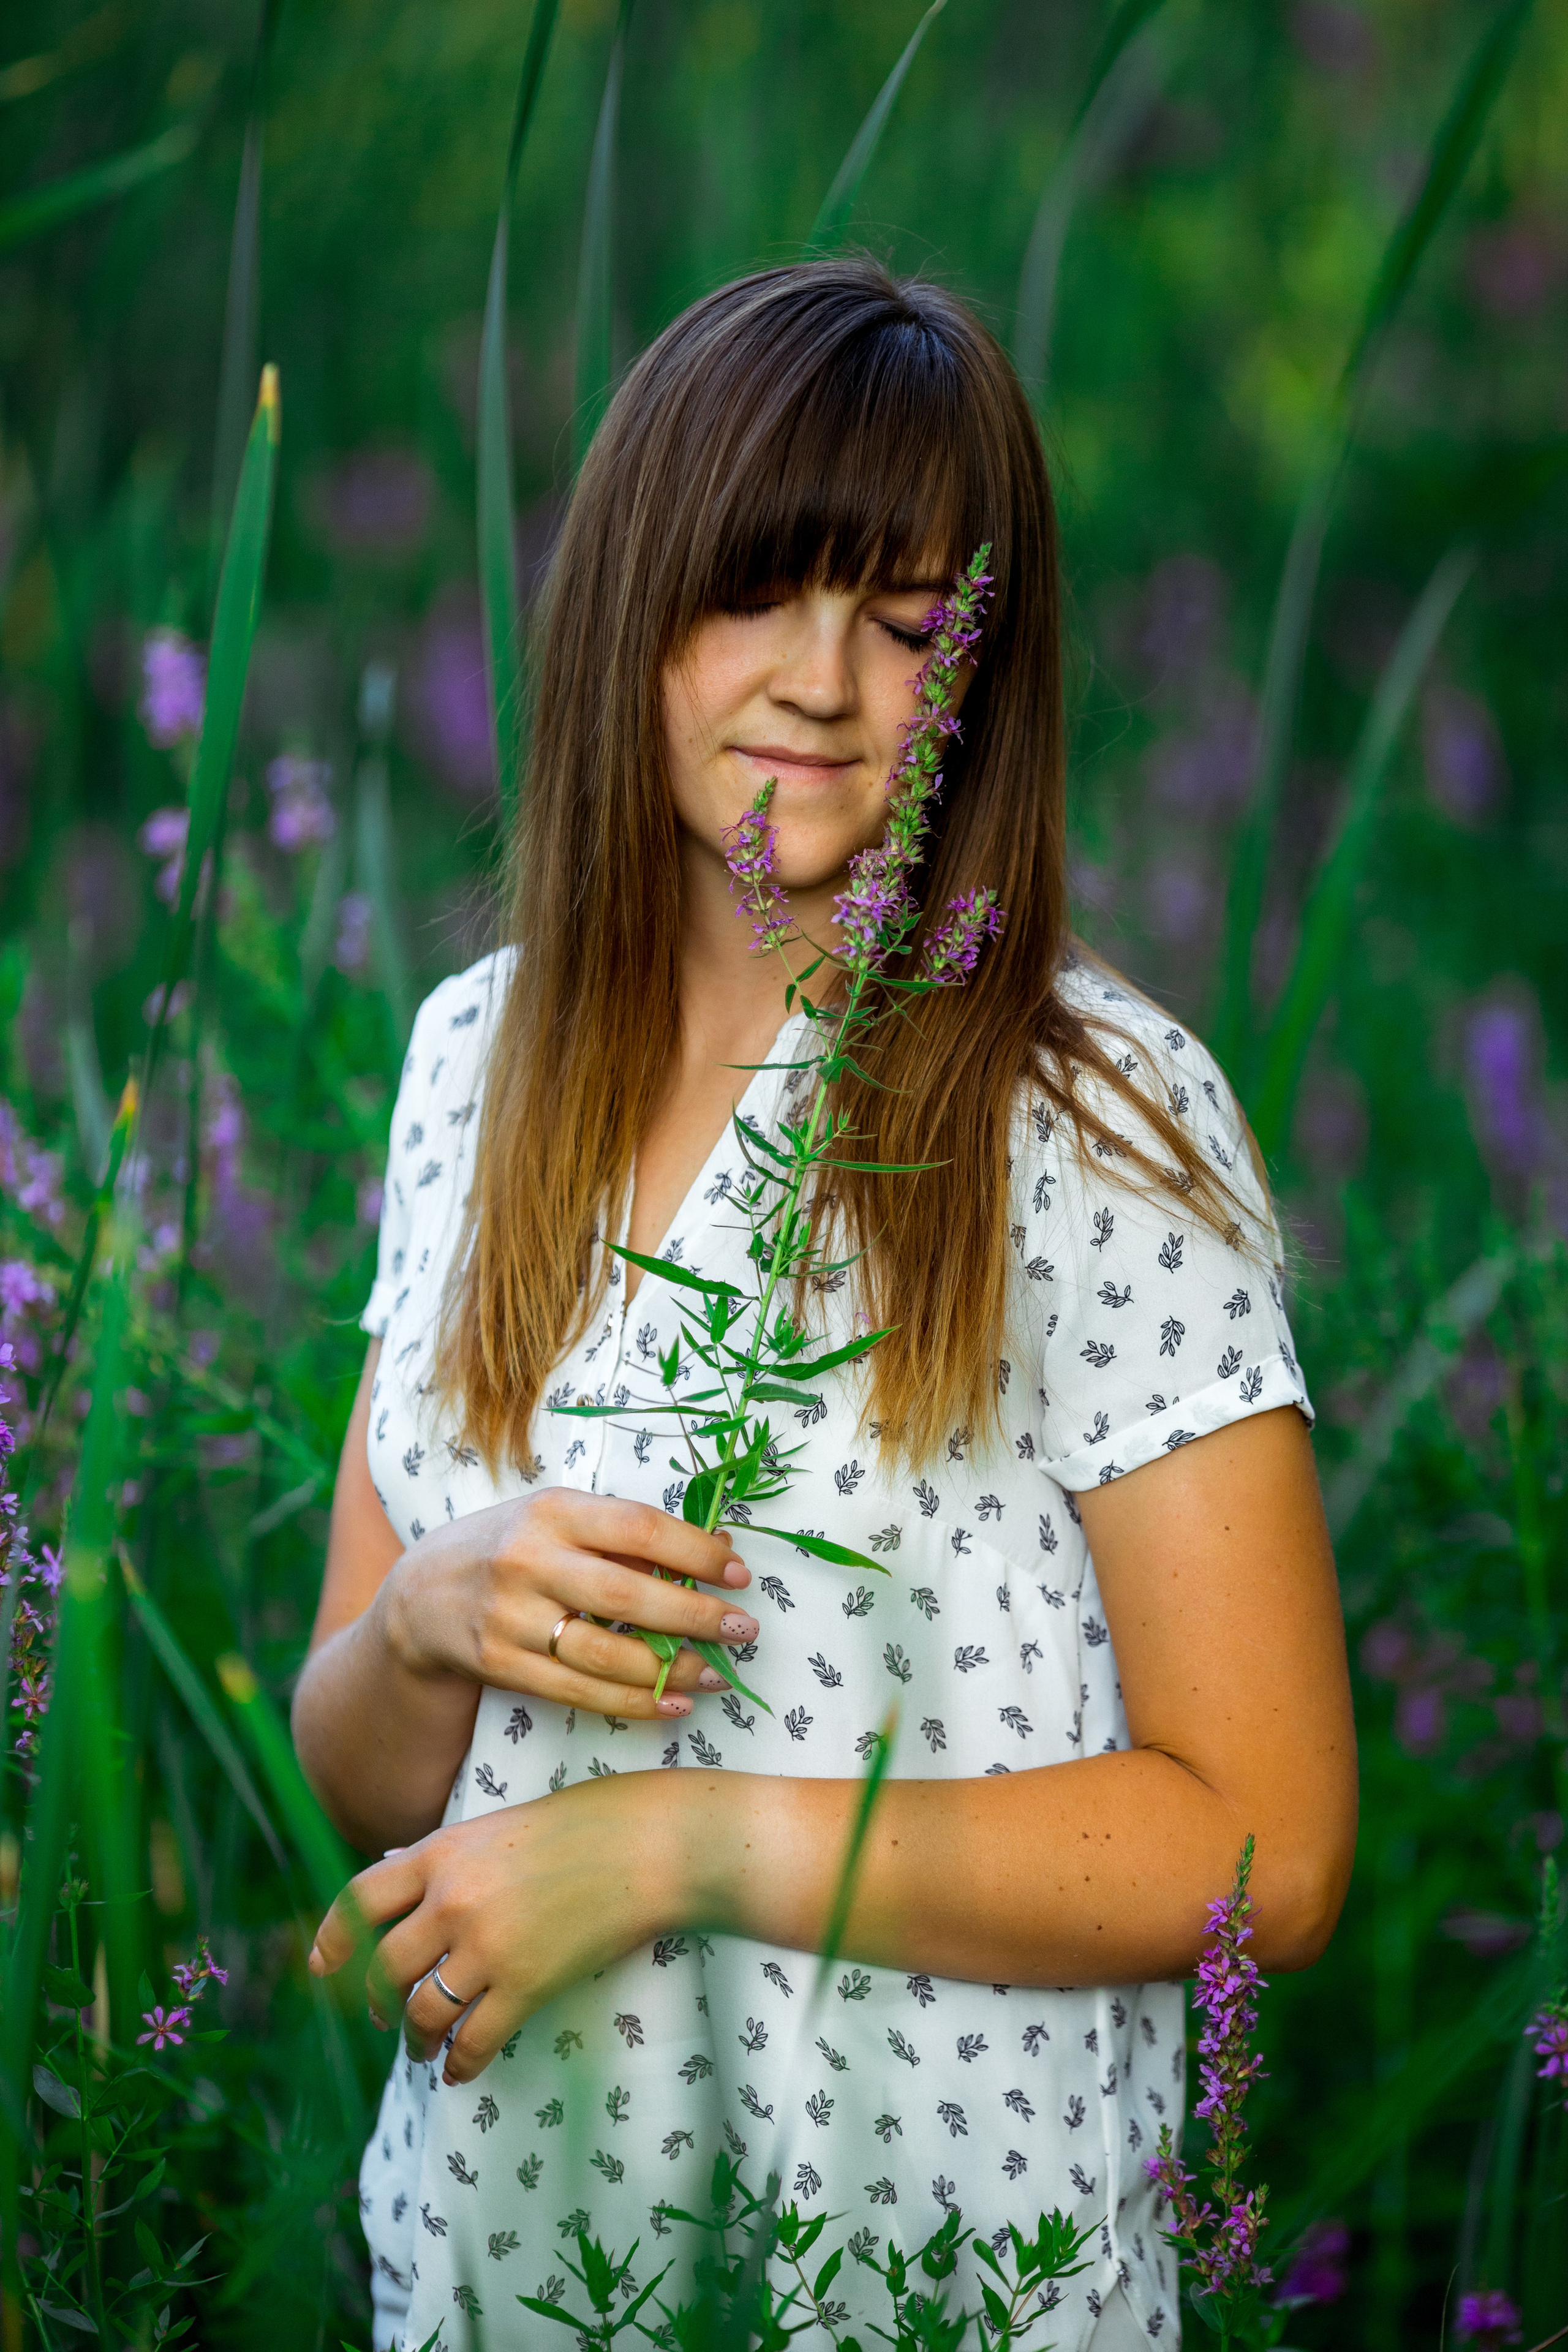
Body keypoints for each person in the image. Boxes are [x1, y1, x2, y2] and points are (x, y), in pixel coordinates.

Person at [294, 258, 1357, 2351]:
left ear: (981, 683)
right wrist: (426, 1619)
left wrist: (673, 1846)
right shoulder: (472, 1067)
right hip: (517, 2272)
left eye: (902, 626)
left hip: (930, 2283)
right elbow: (364, 1784)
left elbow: (1271, 1847)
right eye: (757, 593)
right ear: (630, 601)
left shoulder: (1087, 1112)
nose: (820, 682)